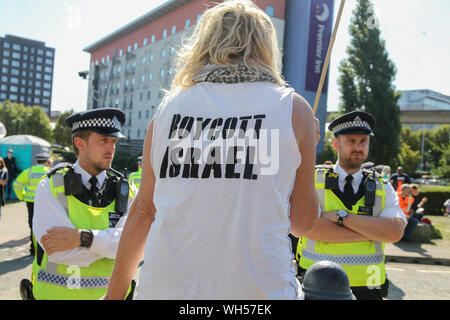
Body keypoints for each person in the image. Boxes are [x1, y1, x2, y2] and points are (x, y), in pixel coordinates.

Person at [105, 0, 319, 300]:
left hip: (166, 291)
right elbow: (302, 224)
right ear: (266, 48)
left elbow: (143, 211)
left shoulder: (168, 110)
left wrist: (114, 295)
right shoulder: (294, 110)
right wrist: (309, 139)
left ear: (204, 44)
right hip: (259, 294)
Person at [296, 110, 407, 300]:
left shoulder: (383, 186)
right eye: (351, 141)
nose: (358, 147)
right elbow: (309, 228)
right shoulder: (312, 179)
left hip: (369, 287)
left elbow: (395, 232)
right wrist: (372, 232)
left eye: (363, 141)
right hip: (317, 286)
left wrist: (342, 217)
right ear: (336, 143)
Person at [29, 108, 136, 300]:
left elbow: (136, 246)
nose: (111, 148)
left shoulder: (127, 190)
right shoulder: (51, 186)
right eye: (103, 140)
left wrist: (84, 238)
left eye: (114, 141)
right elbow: (58, 251)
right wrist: (112, 247)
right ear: (80, 143)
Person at [13, 153, 51, 255]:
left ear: (36, 161)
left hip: (31, 201)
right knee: (45, 224)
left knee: (33, 224)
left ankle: (32, 249)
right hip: (45, 202)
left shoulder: (29, 171)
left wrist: (22, 196)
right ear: (47, 161)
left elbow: (17, 184)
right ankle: (42, 248)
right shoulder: (49, 172)